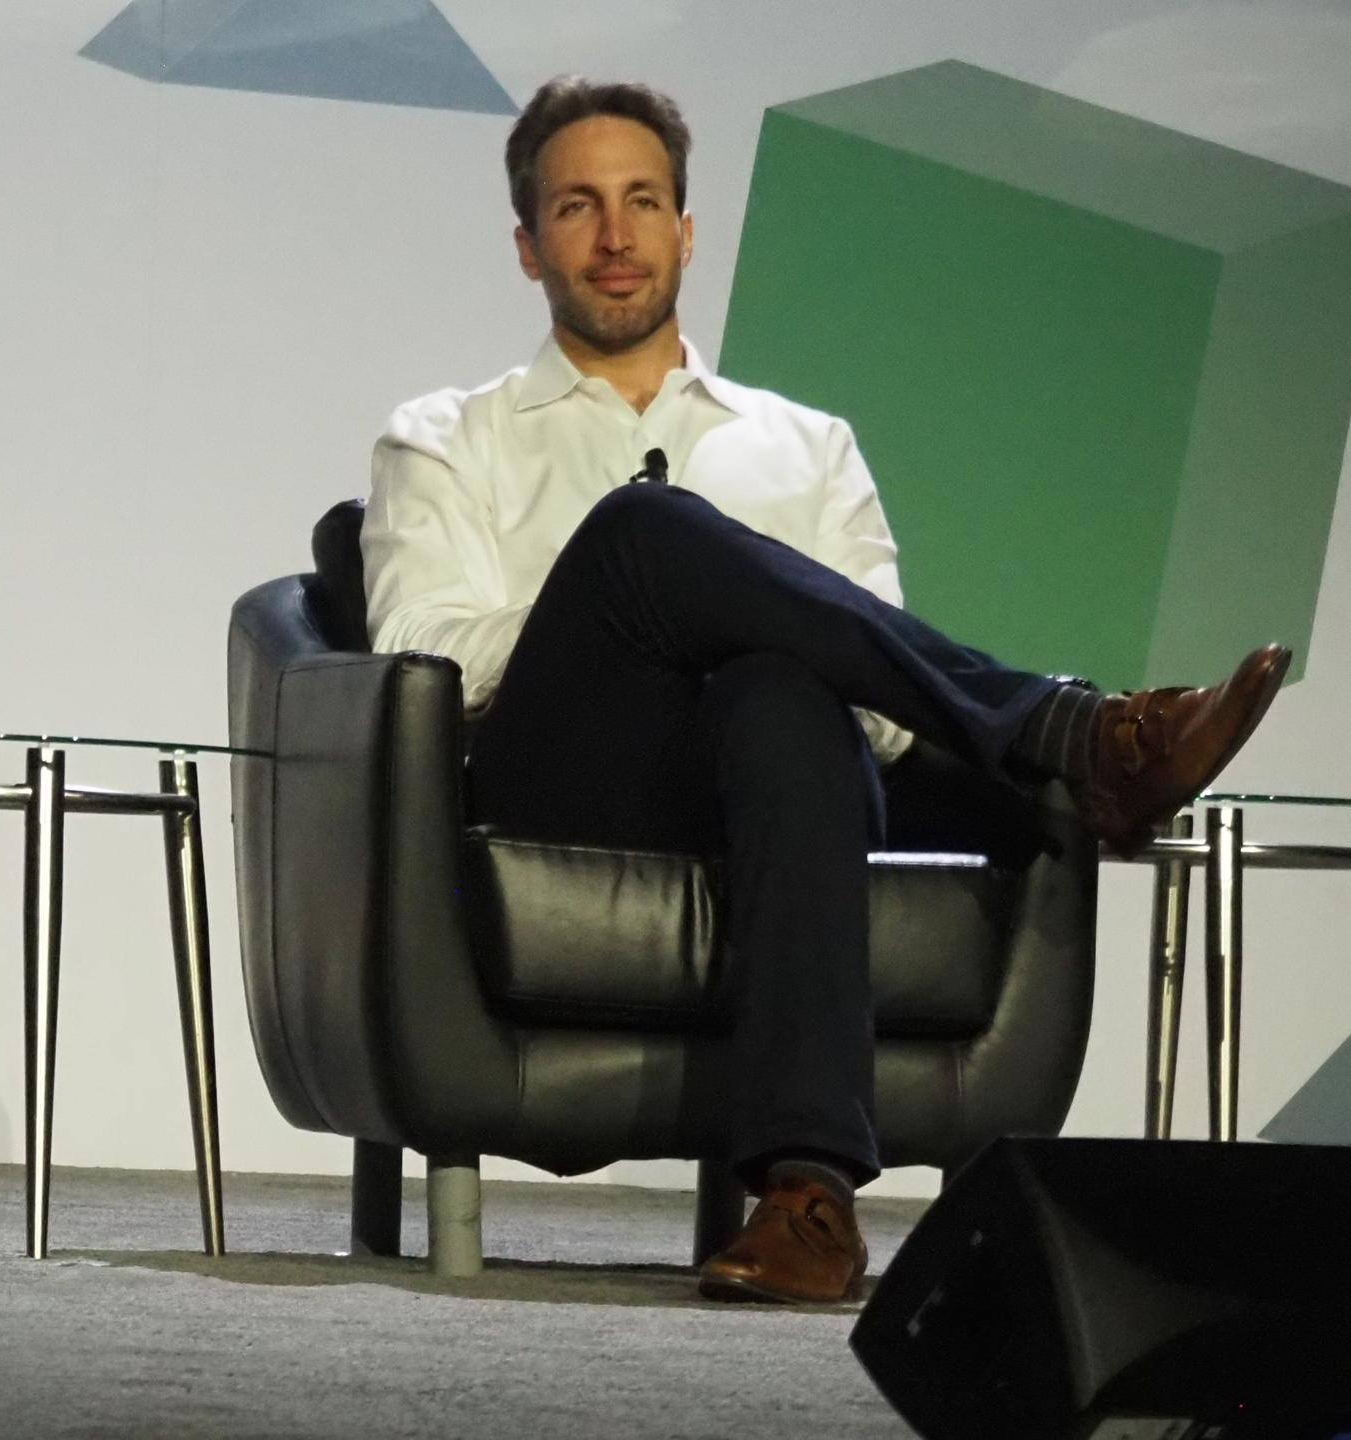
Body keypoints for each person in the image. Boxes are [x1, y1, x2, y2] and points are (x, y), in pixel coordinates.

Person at [361, 77, 1287, 1304]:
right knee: (644, 532)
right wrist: (634, 604)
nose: (617, 235)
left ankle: (807, 1201)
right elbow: (421, 646)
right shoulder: (445, 435)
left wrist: (745, 636)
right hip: (566, 777)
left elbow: (887, 710)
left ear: (688, 230)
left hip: (778, 779)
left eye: (643, 202)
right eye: (578, 207)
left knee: (779, 697)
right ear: (530, 245)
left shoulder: (810, 445)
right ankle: (1073, 730)